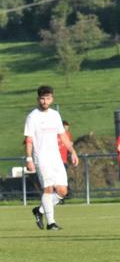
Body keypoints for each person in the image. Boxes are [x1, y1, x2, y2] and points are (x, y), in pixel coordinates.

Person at [24, 85, 79, 230]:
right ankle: (51, 223)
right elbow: (29, 139)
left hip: (56, 158)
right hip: (41, 158)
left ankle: (40, 210)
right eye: (42, 99)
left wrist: (72, 151)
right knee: (48, 189)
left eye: (47, 98)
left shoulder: (55, 115)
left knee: (62, 192)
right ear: (38, 99)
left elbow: (63, 136)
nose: (44, 101)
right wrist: (29, 158)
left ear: (52, 99)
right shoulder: (32, 116)